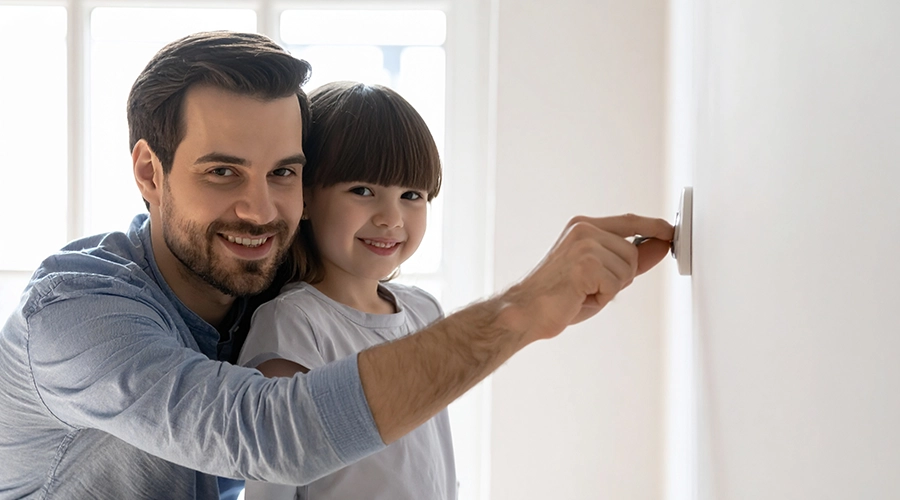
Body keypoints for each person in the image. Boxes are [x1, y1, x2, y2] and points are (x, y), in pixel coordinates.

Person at [0, 30, 673, 499]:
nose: (260, 210)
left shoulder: (263, 292)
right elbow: (268, 434)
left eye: (284, 172)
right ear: (150, 171)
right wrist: (519, 311)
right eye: (223, 172)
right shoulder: (77, 314)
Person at [237, 81, 455, 499]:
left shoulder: (424, 313)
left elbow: (431, 468)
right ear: (306, 198)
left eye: (412, 195)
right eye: (362, 191)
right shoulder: (294, 325)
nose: (391, 218)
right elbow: (271, 481)